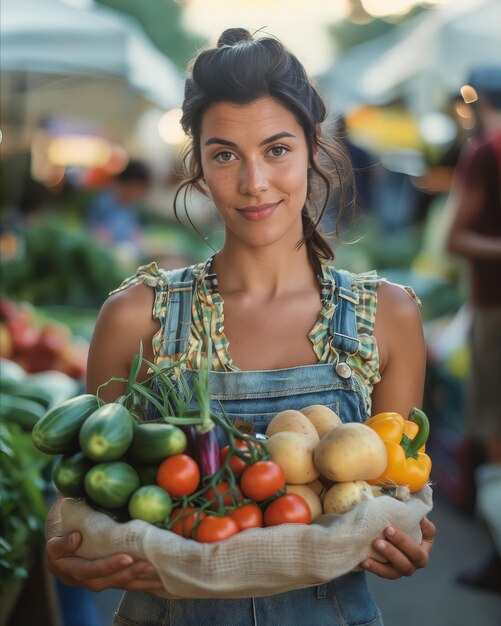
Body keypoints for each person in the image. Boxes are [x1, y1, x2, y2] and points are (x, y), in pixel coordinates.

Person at [46, 28, 435, 625]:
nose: (254, 182)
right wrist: (71, 551)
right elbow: (90, 498)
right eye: (225, 154)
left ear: (313, 147)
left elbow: (395, 500)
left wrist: (408, 543)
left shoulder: (388, 317)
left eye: (277, 149)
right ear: (198, 166)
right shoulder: (134, 318)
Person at [445, 65, 501, 593]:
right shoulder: (486, 151)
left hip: (494, 309)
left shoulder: (485, 150)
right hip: (492, 309)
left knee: (494, 429)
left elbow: (455, 238)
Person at [86, 159, 151, 261]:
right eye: (135, 189)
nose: (137, 194)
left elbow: (136, 235)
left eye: (141, 190)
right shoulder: (103, 204)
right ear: (124, 183)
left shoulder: (130, 208)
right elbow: (98, 239)